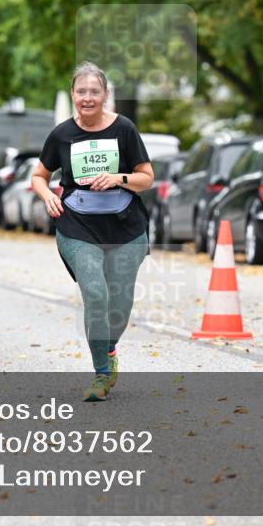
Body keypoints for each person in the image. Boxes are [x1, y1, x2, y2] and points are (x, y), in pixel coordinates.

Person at [31, 62, 153, 402]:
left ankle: (108, 348)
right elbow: (39, 175)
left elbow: (147, 177)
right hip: (77, 227)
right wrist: (46, 196)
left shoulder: (124, 129)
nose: (88, 98)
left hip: (126, 228)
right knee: (96, 295)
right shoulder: (61, 134)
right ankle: (101, 373)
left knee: (120, 304)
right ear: (73, 95)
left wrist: (118, 178)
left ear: (105, 95)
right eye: (81, 91)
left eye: (94, 92)